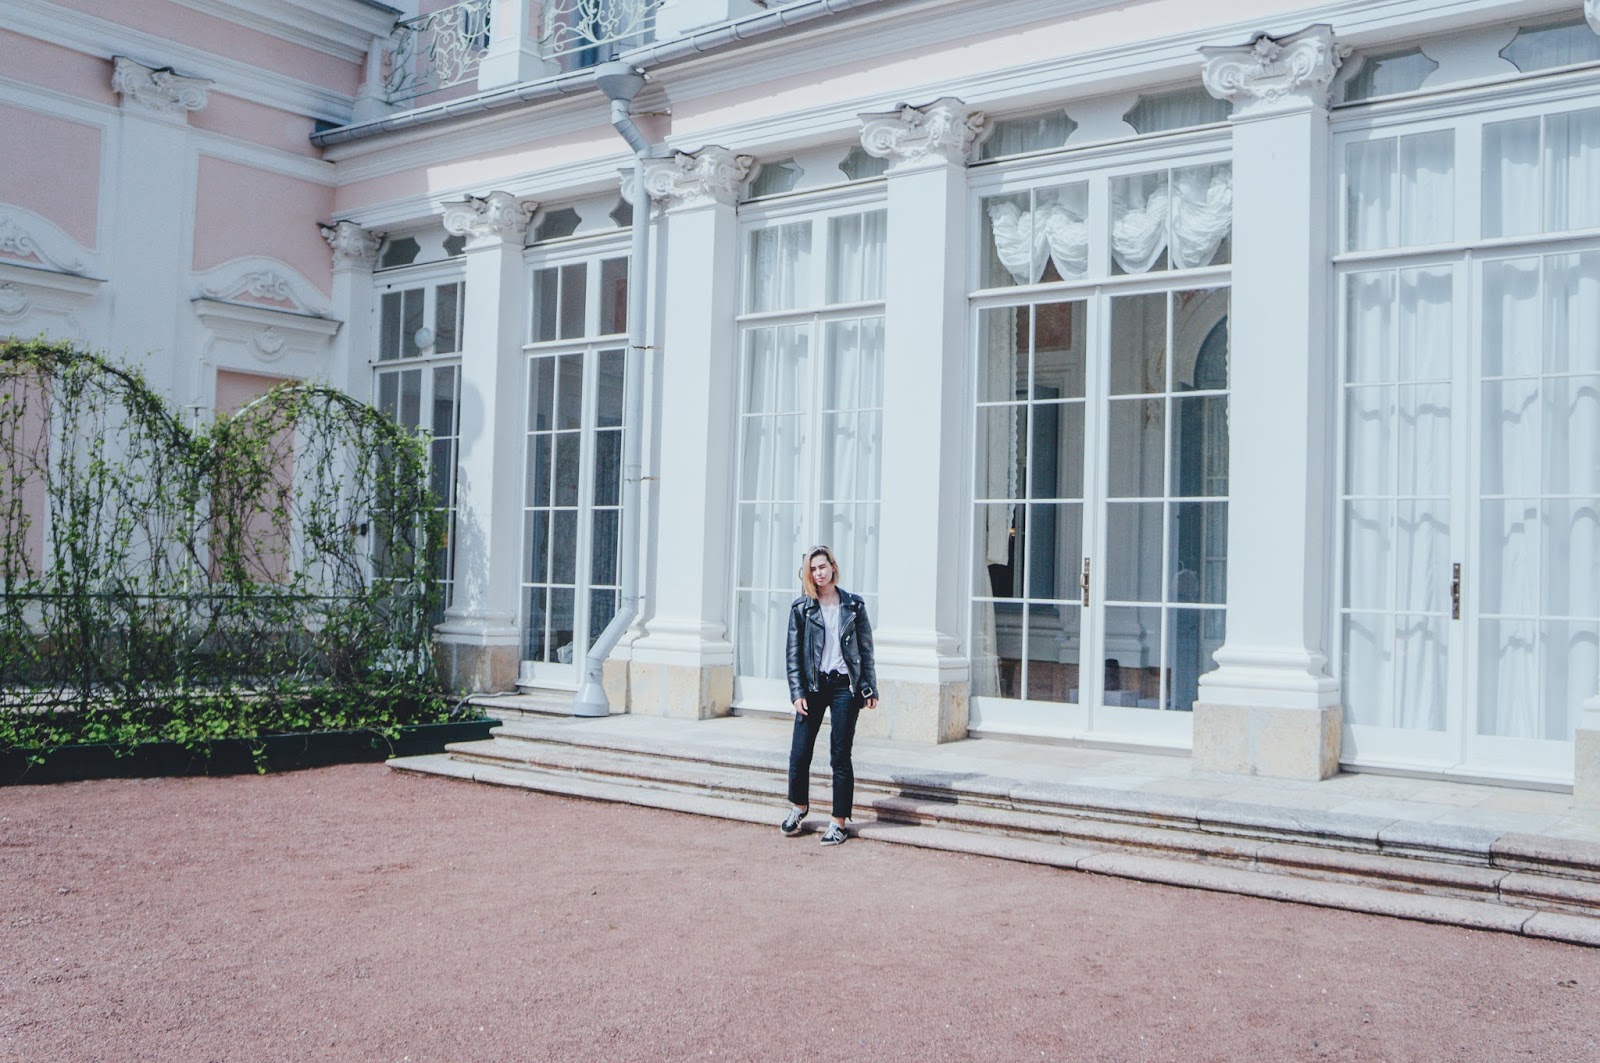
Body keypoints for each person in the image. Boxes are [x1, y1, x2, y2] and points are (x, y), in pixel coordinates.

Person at [781, 545, 878, 846]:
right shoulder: (802, 608)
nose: (818, 573)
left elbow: (865, 650)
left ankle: (838, 822)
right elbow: (793, 655)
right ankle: (799, 806)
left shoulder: (854, 605)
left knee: (840, 754)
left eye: (822, 566)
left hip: (844, 687)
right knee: (800, 752)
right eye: (812, 569)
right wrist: (797, 692)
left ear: (833, 567)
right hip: (813, 686)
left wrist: (870, 687)